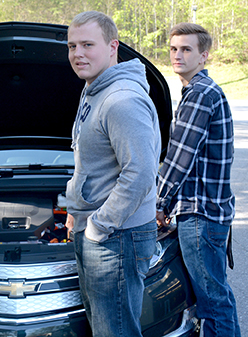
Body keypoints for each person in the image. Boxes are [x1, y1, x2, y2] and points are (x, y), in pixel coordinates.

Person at [65, 11, 161, 336]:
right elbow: (89, 162)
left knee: (114, 332)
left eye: (87, 44)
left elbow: (141, 173)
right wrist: (74, 212)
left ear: (112, 46)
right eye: (72, 46)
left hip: (117, 237)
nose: (78, 54)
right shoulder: (93, 89)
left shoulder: (121, 100)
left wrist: (97, 225)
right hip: (101, 231)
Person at [156, 22, 240, 336]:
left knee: (212, 302)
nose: (178, 55)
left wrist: (159, 203)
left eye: (187, 49)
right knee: (217, 297)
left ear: (203, 55)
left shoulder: (200, 94)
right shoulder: (202, 90)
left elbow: (179, 158)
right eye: (174, 49)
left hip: (200, 214)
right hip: (209, 212)